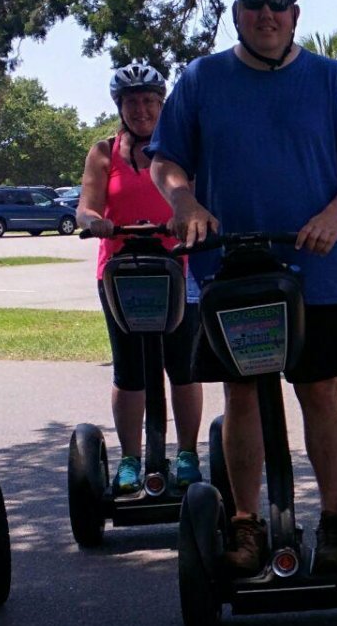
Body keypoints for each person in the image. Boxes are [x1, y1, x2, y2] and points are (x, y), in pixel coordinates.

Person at [150, 0, 337, 577]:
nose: (266, 14)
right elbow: (167, 160)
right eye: (254, 3)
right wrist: (185, 201)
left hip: (318, 270)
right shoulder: (201, 79)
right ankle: (245, 523)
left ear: (295, 14)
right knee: (241, 397)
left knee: (320, 391)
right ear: (237, 12)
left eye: (277, 5)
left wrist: (335, 215)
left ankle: (332, 521)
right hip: (230, 271)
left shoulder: (331, 80)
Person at [77, 63, 206, 494]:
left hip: (177, 269)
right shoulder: (104, 152)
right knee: (128, 368)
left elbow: (196, 199)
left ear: (162, 104)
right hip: (122, 273)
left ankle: (187, 454)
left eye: (150, 101)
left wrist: (187, 220)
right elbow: (86, 207)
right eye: (132, 102)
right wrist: (94, 222)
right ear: (120, 106)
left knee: (183, 365)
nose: (142, 109)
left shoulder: (180, 149)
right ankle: (131, 459)